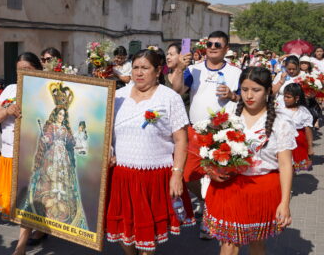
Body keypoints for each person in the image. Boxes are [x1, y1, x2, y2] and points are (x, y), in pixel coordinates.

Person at [106, 49, 195, 254]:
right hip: (122, 174)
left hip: (154, 175)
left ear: (157, 71)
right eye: (136, 67)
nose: (139, 73)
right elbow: (106, 131)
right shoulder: (118, 96)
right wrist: (109, 151)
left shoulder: (170, 97)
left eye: (145, 68)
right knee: (124, 231)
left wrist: (177, 173)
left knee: (149, 235)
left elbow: (181, 139)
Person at [203, 67, 295, 254]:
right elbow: (209, 150)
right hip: (228, 187)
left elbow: (285, 166)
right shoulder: (228, 114)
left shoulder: (280, 123)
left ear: (269, 91)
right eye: (244, 90)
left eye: (256, 90)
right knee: (229, 243)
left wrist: (285, 203)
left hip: (262, 190)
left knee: (257, 243)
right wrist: (212, 170)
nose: (249, 95)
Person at [169, 30, 241, 239]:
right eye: (209, 44)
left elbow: (245, 99)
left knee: (217, 176)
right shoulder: (194, 69)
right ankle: (207, 202)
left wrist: (232, 95)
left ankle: (210, 218)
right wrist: (181, 68)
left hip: (222, 132)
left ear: (226, 49)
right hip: (195, 130)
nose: (212, 47)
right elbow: (177, 90)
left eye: (217, 45)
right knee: (186, 174)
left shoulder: (235, 72)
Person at [0, 52, 46, 255]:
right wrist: (6, 111)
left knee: (27, 200)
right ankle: (38, 229)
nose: (23, 74)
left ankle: (20, 246)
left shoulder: (46, 90)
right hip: (9, 154)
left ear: (38, 70)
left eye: (27, 70)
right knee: (17, 201)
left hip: (33, 155)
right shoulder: (10, 89)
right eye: (19, 70)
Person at [21, 82, 88, 230]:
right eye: (59, 114)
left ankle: (62, 207)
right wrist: (46, 139)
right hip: (51, 156)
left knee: (62, 180)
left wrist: (76, 140)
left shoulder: (65, 129)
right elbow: (48, 138)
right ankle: (47, 208)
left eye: (64, 115)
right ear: (55, 115)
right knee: (49, 179)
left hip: (63, 157)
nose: (61, 117)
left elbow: (70, 142)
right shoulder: (51, 127)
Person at [282, 83, 313, 172]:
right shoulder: (280, 109)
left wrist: (310, 147)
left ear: (297, 98)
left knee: (292, 169)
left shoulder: (303, 112)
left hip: (298, 143)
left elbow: (308, 130)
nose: (285, 99)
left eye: (288, 97)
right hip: (282, 141)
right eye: (284, 96)